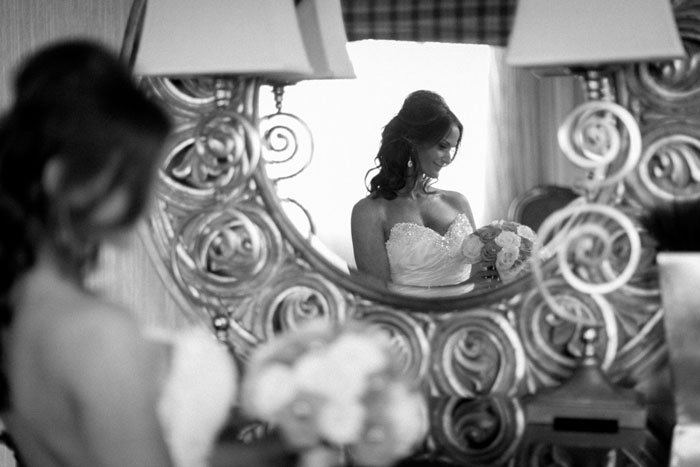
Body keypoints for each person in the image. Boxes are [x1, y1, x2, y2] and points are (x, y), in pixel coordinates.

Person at [0, 39, 296, 467]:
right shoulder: (98, 332)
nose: (146, 196)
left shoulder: (13, 314)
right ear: (62, 180)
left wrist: (281, 448)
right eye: (132, 177)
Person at [351, 90, 492, 290]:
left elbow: (480, 279)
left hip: (468, 317)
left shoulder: (458, 202)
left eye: (452, 149)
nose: (448, 158)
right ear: (413, 141)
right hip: (406, 320)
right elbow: (378, 295)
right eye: (443, 146)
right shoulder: (369, 211)